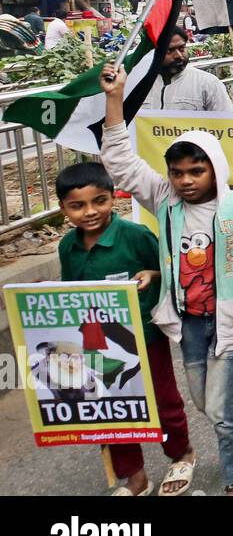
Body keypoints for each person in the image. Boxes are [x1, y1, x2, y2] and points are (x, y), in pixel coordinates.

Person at [98, 62, 233, 496]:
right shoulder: (165, 198)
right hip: (190, 322)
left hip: (232, 321)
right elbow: (121, 163)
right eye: (177, 173)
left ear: (214, 169)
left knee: (218, 408)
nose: (185, 181)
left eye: (195, 172)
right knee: (205, 401)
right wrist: (113, 99)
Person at [56, 162, 196, 497]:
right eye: (78, 206)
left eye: (99, 201)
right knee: (109, 407)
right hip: (94, 342)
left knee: (163, 401)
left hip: (144, 337)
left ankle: (181, 454)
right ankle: (134, 476)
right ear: (63, 209)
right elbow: (68, 294)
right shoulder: (67, 247)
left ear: (112, 199)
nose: (90, 212)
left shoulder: (135, 236)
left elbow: (169, 268)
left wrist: (153, 275)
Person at [141, 32, 233, 112]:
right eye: (169, 50)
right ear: (154, 52)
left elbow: (228, 123)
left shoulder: (208, 82)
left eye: (182, 48)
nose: (178, 55)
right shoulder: (139, 84)